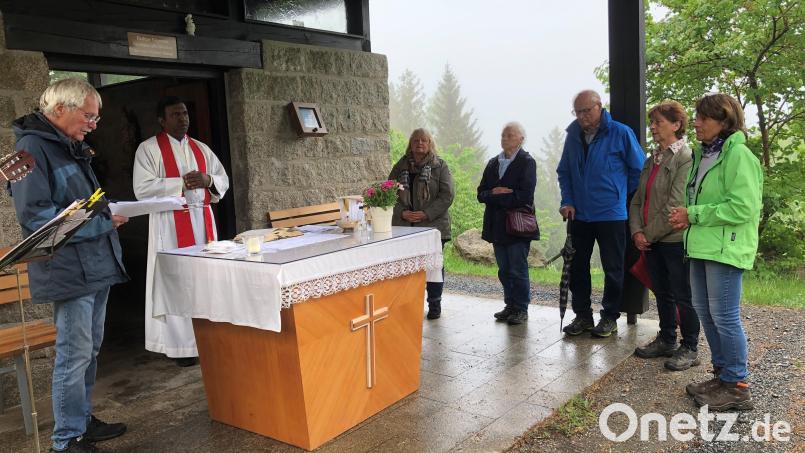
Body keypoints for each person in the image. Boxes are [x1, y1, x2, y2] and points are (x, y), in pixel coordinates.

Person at [9, 78, 129, 452]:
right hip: (67, 269)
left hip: (94, 263)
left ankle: (82, 420)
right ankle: (66, 439)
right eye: (89, 116)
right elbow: (36, 216)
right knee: (73, 354)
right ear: (60, 109)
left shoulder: (73, 147)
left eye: (96, 118)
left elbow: (81, 203)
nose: (94, 124)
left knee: (89, 350)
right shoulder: (30, 149)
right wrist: (102, 222)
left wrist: (107, 213)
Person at [669, 93, 763, 411]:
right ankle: (723, 376)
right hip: (701, 245)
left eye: (703, 118)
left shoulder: (739, 157)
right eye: (696, 117)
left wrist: (692, 215)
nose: (695, 123)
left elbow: (743, 207)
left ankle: (738, 386)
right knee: (705, 312)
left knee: (724, 315)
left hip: (726, 246)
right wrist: (688, 217)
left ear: (724, 122)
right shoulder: (703, 155)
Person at [133, 97, 230, 367]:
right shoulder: (149, 149)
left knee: (205, 278)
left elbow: (222, 179)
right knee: (176, 281)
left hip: (202, 220)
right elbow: (142, 188)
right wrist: (182, 183)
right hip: (170, 225)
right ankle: (182, 347)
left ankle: (207, 340)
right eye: (175, 114)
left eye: (185, 113)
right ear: (162, 120)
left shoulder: (201, 148)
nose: (183, 118)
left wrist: (208, 180)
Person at [557, 90, 645, 338]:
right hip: (579, 215)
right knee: (576, 267)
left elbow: (639, 170)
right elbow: (564, 172)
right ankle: (583, 315)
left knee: (613, 267)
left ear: (599, 107)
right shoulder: (573, 136)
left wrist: (619, 195)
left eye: (587, 110)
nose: (582, 116)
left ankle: (609, 317)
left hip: (612, 214)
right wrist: (568, 200)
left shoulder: (620, 132)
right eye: (578, 112)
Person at [629, 101, 700, 371]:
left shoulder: (685, 157)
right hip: (651, 240)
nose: (653, 127)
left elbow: (675, 204)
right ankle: (667, 338)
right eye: (653, 122)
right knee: (661, 292)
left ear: (676, 124)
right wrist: (637, 231)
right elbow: (638, 199)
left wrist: (647, 234)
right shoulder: (653, 159)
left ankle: (690, 346)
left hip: (673, 240)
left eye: (658, 122)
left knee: (684, 295)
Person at [389, 128, 454, 319]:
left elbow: (447, 195)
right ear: (410, 143)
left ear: (430, 143)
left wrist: (425, 214)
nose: (419, 143)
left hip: (433, 226)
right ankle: (409, 305)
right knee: (408, 267)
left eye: (424, 140)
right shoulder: (400, 166)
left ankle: (434, 304)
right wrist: (403, 212)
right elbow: (388, 192)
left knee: (433, 267)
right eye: (416, 140)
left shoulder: (440, 166)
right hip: (405, 225)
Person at [477, 122, 539, 325]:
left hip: (517, 226)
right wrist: (496, 193)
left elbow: (525, 197)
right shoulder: (493, 162)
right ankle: (510, 305)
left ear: (521, 139)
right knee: (504, 269)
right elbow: (481, 193)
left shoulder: (527, 162)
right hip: (497, 226)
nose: (505, 139)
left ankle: (521, 308)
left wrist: (495, 196)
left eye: (510, 135)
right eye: (503, 135)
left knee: (517, 269)